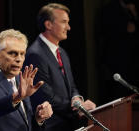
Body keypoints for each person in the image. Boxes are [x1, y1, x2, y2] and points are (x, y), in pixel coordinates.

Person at [23, 3, 96, 131]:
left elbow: (72, 86)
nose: (68, 27)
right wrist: (78, 107)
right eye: (64, 22)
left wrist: (76, 99)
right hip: (51, 125)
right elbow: (44, 95)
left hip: (68, 123)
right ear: (48, 24)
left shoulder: (61, 52)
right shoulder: (35, 54)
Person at [0, 29, 53, 131]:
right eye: (13, 53)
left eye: (22, 54)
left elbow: (25, 123)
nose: (19, 59)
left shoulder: (19, 79)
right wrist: (17, 97)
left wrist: (38, 118)